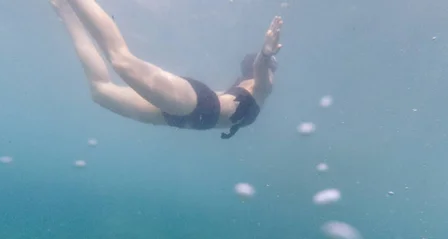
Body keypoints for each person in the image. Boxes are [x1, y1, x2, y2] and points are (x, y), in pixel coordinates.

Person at [51, 0, 283, 139]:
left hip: (182, 117)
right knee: (121, 60)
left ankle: (65, 11)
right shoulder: (260, 87)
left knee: (100, 92)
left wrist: (265, 57)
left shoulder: (241, 88)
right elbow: (261, 70)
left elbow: (258, 72)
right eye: (273, 67)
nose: (273, 72)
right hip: (196, 105)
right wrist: (266, 54)